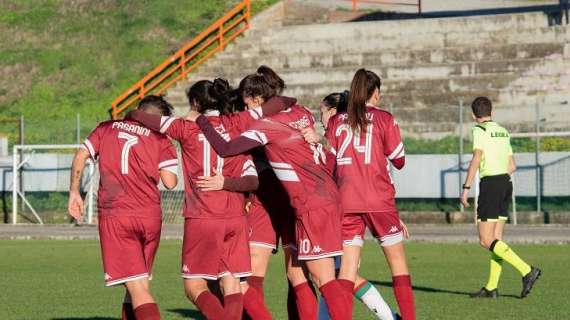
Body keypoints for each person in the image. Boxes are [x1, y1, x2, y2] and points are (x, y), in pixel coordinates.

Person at [189, 67, 354, 320]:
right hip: (323, 195)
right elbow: (294, 112)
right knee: (298, 273)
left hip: (296, 201)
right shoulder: (301, 112)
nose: (245, 108)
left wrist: (201, 121)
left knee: (306, 277)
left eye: (248, 102)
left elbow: (226, 148)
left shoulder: (264, 125)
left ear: (256, 100)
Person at [126, 79, 276, 320]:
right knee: (232, 282)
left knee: (194, 286)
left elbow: (141, 116)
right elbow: (252, 180)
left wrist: (184, 117)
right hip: (236, 218)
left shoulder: (185, 128)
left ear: (196, 102)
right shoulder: (237, 124)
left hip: (203, 216)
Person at [68, 95, 179, 320]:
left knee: (137, 287)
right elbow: (170, 182)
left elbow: (81, 155)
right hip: (150, 217)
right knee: (136, 284)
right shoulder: (160, 139)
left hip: (117, 216)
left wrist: (74, 192)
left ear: (139, 110)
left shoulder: (106, 128)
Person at [318, 69, 415, 320]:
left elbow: (328, 164)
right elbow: (399, 160)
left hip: (347, 200)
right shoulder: (384, 118)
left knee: (347, 271)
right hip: (379, 200)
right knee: (398, 265)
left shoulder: (337, 122)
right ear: (375, 92)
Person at [461, 96, 541, 299]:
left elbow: (476, 158)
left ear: (473, 115)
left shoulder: (479, 130)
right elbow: (512, 165)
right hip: (506, 184)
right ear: (492, 111)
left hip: (491, 185)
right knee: (496, 239)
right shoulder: (503, 132)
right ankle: (491, 288)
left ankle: (526, 270)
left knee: (485, 240)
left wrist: (466, 188)